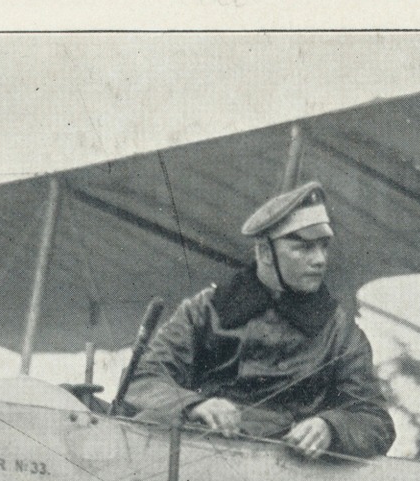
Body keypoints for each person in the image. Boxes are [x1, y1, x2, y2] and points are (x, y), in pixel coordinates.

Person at [124, 181, 396, 460]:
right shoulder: (206, 310)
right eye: (303, 248)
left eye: (323, 246)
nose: (319, 260)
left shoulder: (339, 330)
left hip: (295, 479)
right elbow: (142, 378)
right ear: (265, 253)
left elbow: (375, 420)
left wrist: (330, 427)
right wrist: (195, 405)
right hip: (200, 458)